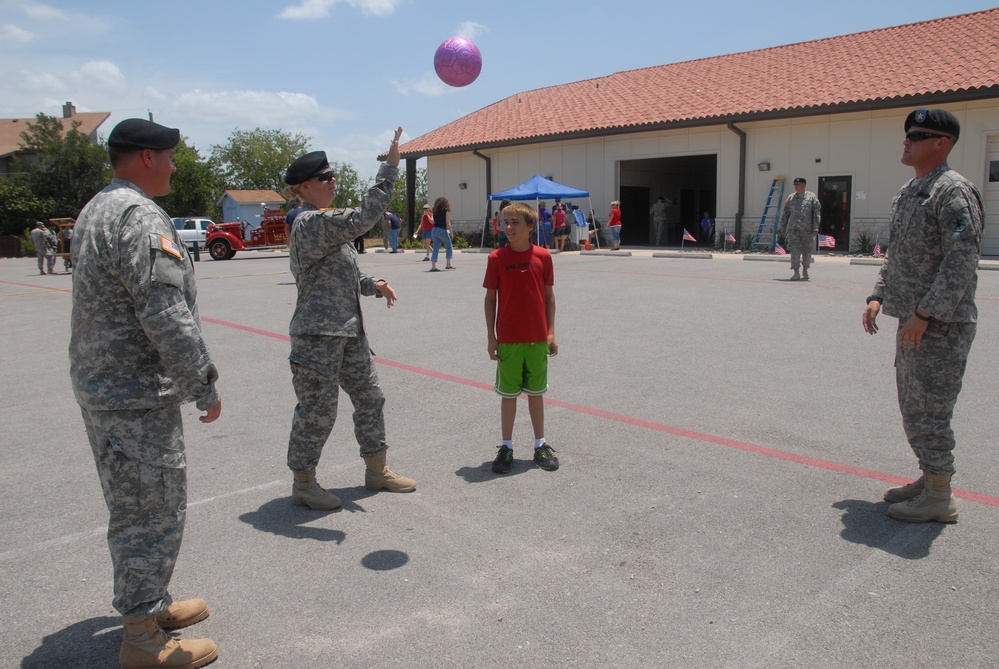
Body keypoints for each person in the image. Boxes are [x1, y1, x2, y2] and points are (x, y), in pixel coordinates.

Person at [68, 118, 222, 669]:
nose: (176, 166)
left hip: (103, 385)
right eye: (170, 156)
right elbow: (163, 308)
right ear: (148, 158)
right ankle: (141, 640)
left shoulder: (98, 207)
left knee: (133, 506)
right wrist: (201, 381)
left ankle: (150, 606)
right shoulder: (138, 214)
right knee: (151, 513)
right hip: (134, 393)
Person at [283, 127, 415, 511]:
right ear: (304, 188)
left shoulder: (327, 228)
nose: (332, 180)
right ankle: (304, 483)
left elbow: (348, 276)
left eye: (332, 173)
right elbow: (366, 216)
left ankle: (377, 471)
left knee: (371, 397)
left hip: (349, 332)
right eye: (324, 177)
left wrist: (375, 284)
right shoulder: (311, 223)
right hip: (317, 336)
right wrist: (390, 169)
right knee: (318, 412)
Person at [862, 108, 983, 524]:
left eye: (918, 134)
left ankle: (939, 496)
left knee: (929, 409)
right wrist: (878, 294)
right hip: (913, 321)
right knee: (914, 406)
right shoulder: (911, 191)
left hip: (940, 325)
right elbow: (896, 255)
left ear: (941, 143)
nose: (907, 140)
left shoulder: (953, 190)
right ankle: (930, 478)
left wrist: (926, 313)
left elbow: (962, 260)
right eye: (907, 134)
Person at [484, 202, 559, 474]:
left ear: (530, 227)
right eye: (506, 222)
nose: (509, 227)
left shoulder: (543, 257)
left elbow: (549, 297)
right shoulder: (496, 259)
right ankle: (506, 446)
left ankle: (540, 443)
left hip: (537, 339)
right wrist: (492, 337)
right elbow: (490, 299)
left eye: (515, 222)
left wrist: (550, 332)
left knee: (536, 393)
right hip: (509, 341)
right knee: (509, 394)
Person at [778, 177, 820, 280]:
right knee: (794, 251)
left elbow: (816, 213)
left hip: (807, 229)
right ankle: (796, 272)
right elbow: (785, 214)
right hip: (793, 229)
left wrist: (816, 227)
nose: (795, 186)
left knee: (807, 251)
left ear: (803, 185)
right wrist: (782, 227)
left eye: (797, 184)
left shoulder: (811, 197)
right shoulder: (791, 198)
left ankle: (805, 270)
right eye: (795, 184)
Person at [430, 196, 456, 271]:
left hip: (434, 230)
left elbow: (433, 221)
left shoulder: (434, 211)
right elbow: (448, 223)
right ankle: (448, 264)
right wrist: (451, 232)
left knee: (436, 248)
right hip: (442, 230)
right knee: (449, 246)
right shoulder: (446, 211)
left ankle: (433, 266)